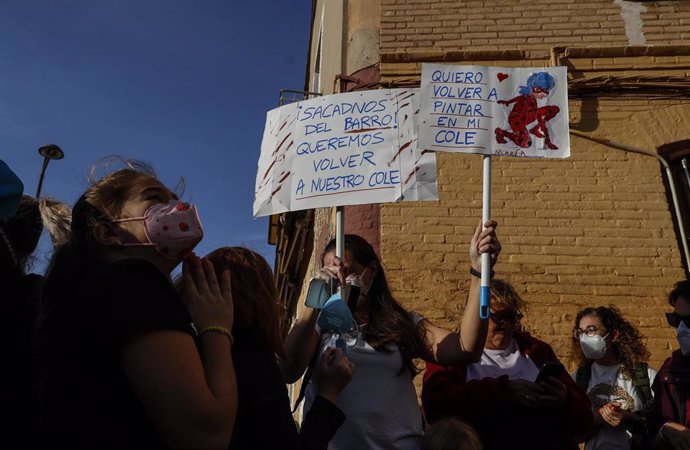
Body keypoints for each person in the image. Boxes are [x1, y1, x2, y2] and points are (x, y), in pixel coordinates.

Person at [37, 161, 237, 450]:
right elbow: (207, 435)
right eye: (155, 198)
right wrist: (216, 328)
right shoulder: (133, 281)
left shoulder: (95, 292)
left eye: (175, 201)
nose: (177, 209)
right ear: (108, 232)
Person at [280, 220, 501, 450]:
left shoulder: (400, 324)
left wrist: (478, 272)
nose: (342, 281)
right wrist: (314, 300)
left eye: (349, 271)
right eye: (333, 275)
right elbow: (288, 370)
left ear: (371, 271)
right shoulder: (320, 326)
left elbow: (466, 348)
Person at [204, 246, 354, 450]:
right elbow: (288, 368)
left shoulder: (184, 352)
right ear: (259, 297)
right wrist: (328, 394)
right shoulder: (254, 364)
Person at [422, 278, 593, 450]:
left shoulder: (536, 350)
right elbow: (436, 407)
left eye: (512, 317)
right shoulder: (454, 353)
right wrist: (504, 391)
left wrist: (565, 398)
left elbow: (584, 417)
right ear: (476, 315)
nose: (507, 324)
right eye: (498, 317)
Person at [571, 305, 656, 450]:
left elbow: (661, 427)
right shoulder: (578, 379)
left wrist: (632, 420)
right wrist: (595, 420)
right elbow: (572, 434)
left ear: (614, 336)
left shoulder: (645, 376)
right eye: (580, 332)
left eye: (591, 330)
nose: (584, 337)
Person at [645, 280, 690, 449]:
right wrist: (667, 430)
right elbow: (654, 426)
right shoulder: (671, 371)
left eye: (689, 321)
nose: (682, 329)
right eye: (676, 320)